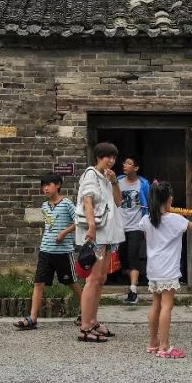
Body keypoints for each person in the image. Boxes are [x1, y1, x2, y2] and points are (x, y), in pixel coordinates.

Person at [143, 181, 192, 358]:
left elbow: (147, 235)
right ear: (169, 199)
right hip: (168, 269)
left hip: (154, 269)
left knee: (155, 304)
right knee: (166, 306)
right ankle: (165, 346)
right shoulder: (176, 219)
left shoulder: (147, 219)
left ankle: (153, 342)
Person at [14, 173, 83, 330]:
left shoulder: (67, 204)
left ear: (58, 185)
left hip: (63, 252)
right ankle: (32, 318)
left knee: (71, 283)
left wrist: (64, 232)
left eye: (48, 184)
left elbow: (79, 221)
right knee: (39, 283)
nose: (45, 188)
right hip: (46, 250)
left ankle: (87, 312)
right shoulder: (44, 206)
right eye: (43, 185)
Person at [76, 142, 125, 342]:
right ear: (99, 157)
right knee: (93, 279)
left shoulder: (107, 177)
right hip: (97, 233)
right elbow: (87, 201)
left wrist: (114, 182)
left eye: (114, 158)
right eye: (108, 157)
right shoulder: (90, 175)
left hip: (107, 234)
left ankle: (93, 320)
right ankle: (85, 326)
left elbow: (118, 202)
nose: (111, 161)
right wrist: (91, 227)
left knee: (101, 278)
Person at [117, 154, 150, 305]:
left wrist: (146, 225)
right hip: (119, 226)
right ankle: (129, 276)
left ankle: (133, 290)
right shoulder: (117, 181)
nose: (125, 165)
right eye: (124, 163)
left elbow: (148, 205)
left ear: (135, 168)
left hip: (136, 226)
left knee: (133, 256)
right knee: (122, 257)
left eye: (128, 163)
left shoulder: (143, 184)